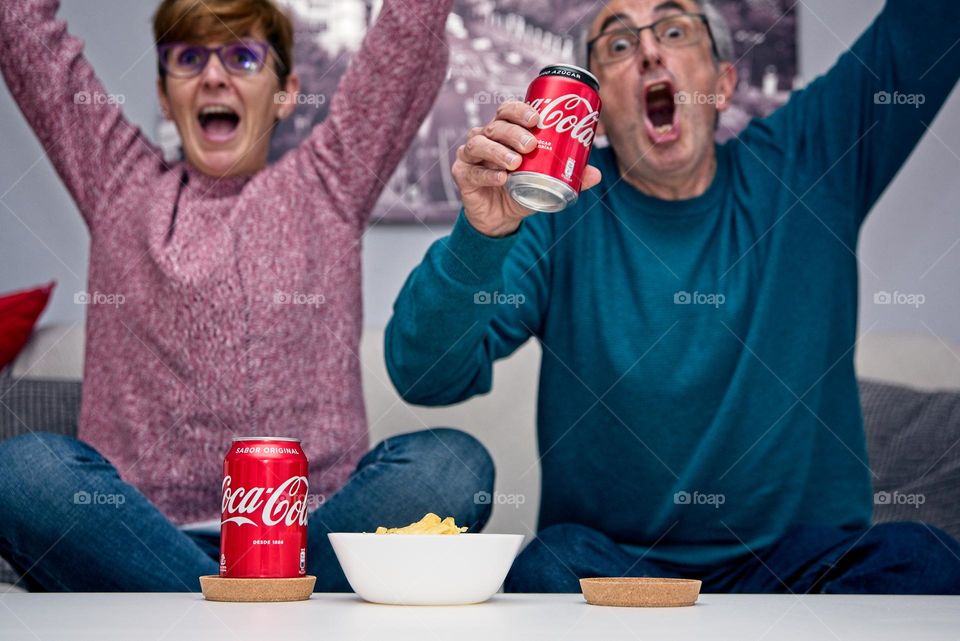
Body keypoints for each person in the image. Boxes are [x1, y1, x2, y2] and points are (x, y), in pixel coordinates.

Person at [385, 0, 960, 593]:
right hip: (616, 571)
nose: (649, 51)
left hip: (799, 568)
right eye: (617, 44)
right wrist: (480, 236)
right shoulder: (556, 214)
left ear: (724, 81)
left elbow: (925, 23)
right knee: (546, 564)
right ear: (597, 114)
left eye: (675, 29)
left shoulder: (811, 158)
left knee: (923, 557)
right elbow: (424, 377)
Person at [0, 0, 493, 592]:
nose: (213, 76)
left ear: (285, 93)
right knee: (24, 471)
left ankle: (199, 606)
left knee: (453, 467)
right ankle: (255, 607)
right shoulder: (116, 184)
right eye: (188, 59)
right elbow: (24, 29)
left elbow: (407, 40)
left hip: (311, 535)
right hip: (142, 532)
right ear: (164, 95)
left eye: (241, 57)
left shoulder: (330, 181)